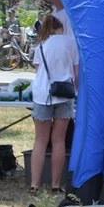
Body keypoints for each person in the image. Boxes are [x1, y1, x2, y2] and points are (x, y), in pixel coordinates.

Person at [29, 14, 76, 194]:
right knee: (59, 140)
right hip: (65, 94)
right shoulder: (70, 43)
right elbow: (76, 71)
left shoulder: (40, 45)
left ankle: (34, 184)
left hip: (42, 95)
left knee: (40, 141)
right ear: (60, 27)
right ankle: (56, 185)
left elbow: (38, 70)